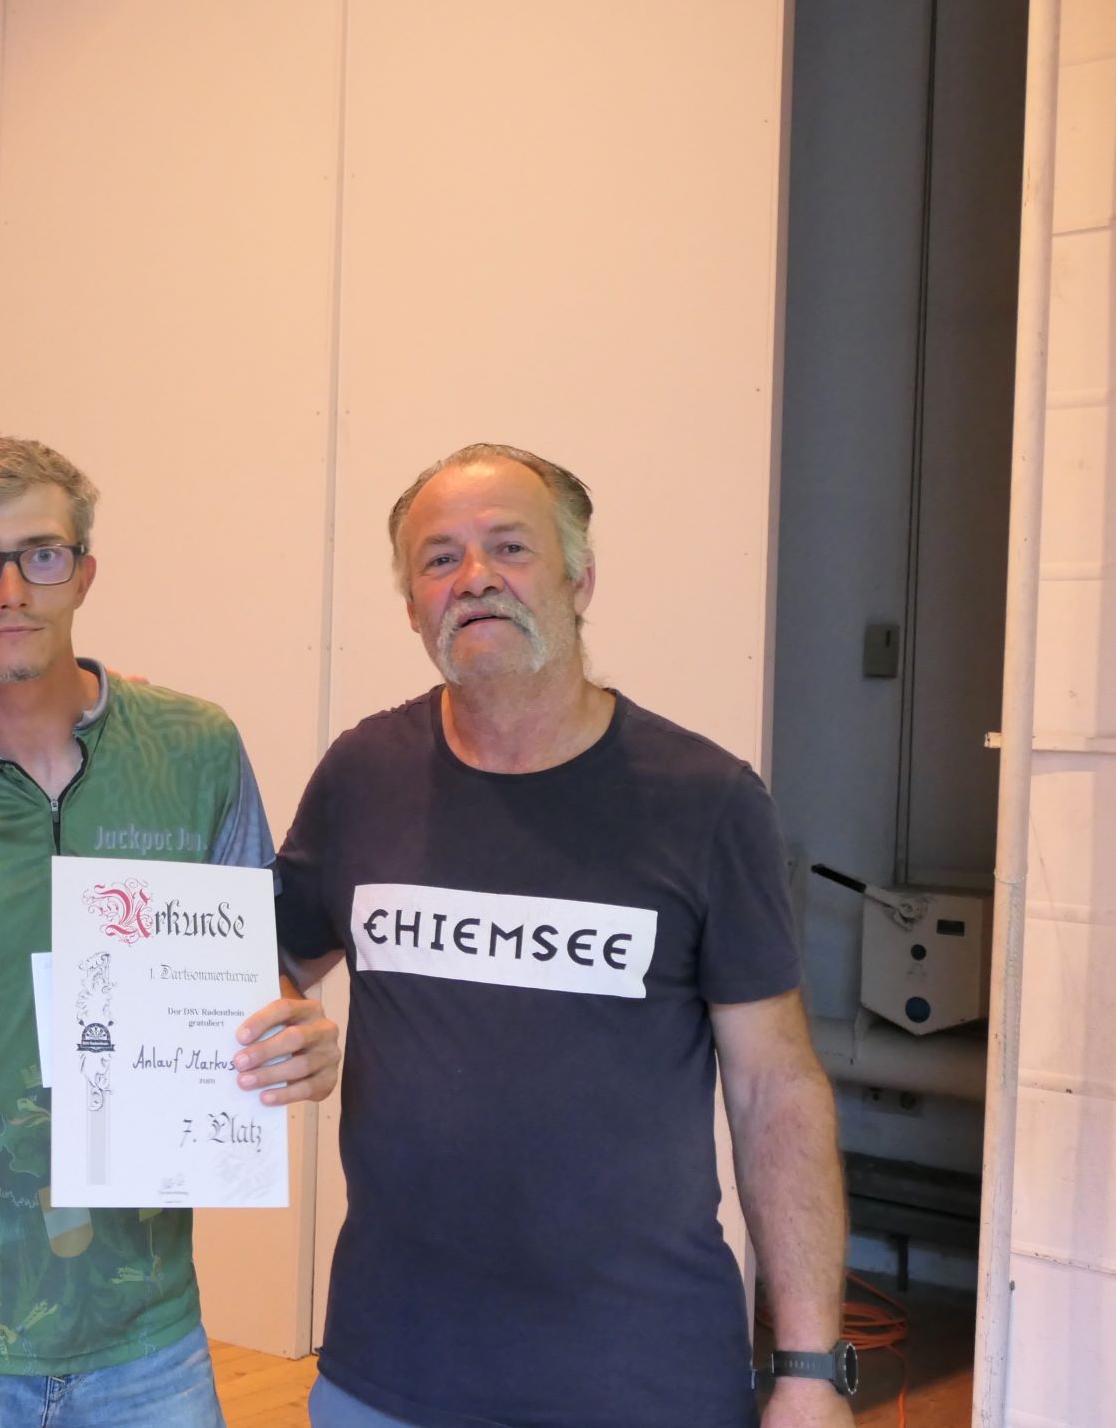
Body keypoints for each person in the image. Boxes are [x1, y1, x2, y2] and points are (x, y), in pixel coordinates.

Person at [275, 443, 852, 1428]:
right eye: (438, 558)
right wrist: (283, 1018)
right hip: (384, 1375)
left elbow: (774, 1087)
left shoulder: (705, 800)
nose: (473, 577)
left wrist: (808, 1369)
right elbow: (260, 959)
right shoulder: (362, 772)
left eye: (509, 546)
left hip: (637, 1381)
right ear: (412, 605)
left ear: (578, 580)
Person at [0, 437, 342, 1427]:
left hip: (145, 1331)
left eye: (42, 553)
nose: (10, 589)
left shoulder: (193, 748)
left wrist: (294, 1037)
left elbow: (253, 973)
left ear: (85, 572)